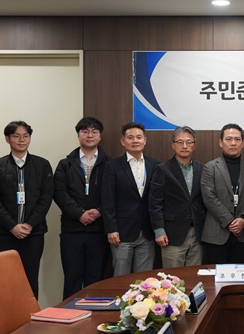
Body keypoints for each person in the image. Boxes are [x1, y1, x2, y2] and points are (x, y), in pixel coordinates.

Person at [54, 116, 110, 299]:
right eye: (85, 131)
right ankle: (69, 315)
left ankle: (93, 315)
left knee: (96, 280)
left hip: (99, 231)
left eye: (94, 132)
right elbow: (59, 193)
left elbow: (113, 194)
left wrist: (99, 210)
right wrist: (79, 213)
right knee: (72, 279)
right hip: (72, 230)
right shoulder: (65, 164)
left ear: (100, 136)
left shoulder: (110, 164)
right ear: (78, 135)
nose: (89, 135)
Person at [0, 121, 53, 299]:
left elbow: (46, 197)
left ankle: (30, 315)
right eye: (16, 136)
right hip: (5, 233)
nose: (21, 140)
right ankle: (8, 316)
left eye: (26, 136)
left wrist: (29, 224)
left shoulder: (42, 165)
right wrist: (12, 226)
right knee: (6, 279)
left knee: (31, 279)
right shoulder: (1, 165)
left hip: (34, 233)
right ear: (7, 139)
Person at [101, 122, 160, 276]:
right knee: (121, 277)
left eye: (139, 137)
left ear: (145, 140)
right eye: (130, 137)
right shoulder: (112, 166)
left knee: (144, 280)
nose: (135, 141)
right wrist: (111, 229)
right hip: (121, 233)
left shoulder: (155, 165)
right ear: (123, 141)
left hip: (147, 232)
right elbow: (107, 200)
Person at [149, 126, 205, 268]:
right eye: (180, 142)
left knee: (194, 275)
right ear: (173, 145)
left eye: (189, 142)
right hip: (171, 234)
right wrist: (159, 231)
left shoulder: (202, 169)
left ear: (194, 146)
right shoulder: (162, 169)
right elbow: (155, 204)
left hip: (197, 233)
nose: (184, 146)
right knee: (172, 277)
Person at [201, 124, 244, 264]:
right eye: (229, 139)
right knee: (214, 276)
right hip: (216, 235)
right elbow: (209, 198)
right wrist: (230, 222)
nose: (233, 143)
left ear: (242, 143)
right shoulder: (210, 167)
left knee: (241, 276)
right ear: (221, 142)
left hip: (243, 234)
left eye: (237, 139)